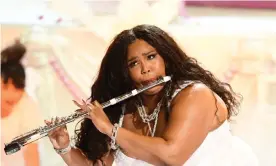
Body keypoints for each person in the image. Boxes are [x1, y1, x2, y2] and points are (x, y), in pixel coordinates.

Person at [46, 24, 258, 166]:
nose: (145, 68)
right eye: (133, 63)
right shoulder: (127, 109)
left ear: (165, 57)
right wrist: (64, 148)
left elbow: (173, 155)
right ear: (124, 72)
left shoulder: (195, 95)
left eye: (151, 57)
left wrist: (110, 129)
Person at [1, 41, 42, 166]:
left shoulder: (28, 106)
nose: (12, 95)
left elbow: (32, 151)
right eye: (5, 86)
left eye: (18, 88)